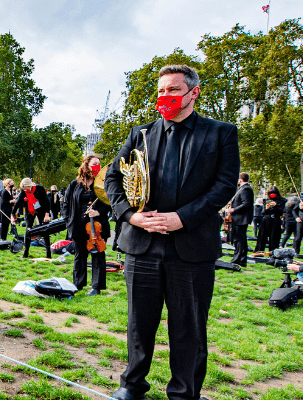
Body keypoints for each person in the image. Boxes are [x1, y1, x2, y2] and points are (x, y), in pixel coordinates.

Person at [102, 65, 239, 400]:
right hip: (142, 245)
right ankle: (131, 386)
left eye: (173, 90)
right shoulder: (141, 133)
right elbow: (112, 179)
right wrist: (131, 216)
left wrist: (183, 217)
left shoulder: (221, 132)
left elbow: (224, 186)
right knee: (138, 325)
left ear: (193, 93)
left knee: (189, 329)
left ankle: (183, 393)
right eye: (161, 91)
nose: (164, 97)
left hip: (191, 247)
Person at [63, 155, 111, 294]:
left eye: (99, 164)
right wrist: (68, 220)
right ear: (86, 165)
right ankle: (78, 284)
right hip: (78, 225)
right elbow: (65, 204)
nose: (98, 166)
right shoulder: (74, 184)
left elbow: (110, 202)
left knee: (98, 255)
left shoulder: (102, 184)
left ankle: (96, 287)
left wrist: (99, 212)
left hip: (97, 226)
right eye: (94, 163)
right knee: (79, 256)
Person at [225, 173, 254, 266]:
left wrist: (233, 209)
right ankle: (241, 260)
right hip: (238, 218)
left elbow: (246, 204)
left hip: (241, 218)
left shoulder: (246, 189)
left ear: (240, 180)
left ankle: (238, 259)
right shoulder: (242, 189)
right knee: (240, 240)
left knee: (239, 240)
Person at [255, 186, 284, 252]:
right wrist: (266, 208)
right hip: (266, 220)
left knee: (274, 238)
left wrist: (276, 206)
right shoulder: (266, 200)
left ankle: (273, 252)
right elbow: (263, 212)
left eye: (274, 193)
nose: (272, 194)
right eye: (271, 193)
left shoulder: (281, 201)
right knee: (262, 237)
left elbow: (281, 212)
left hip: (275, 221)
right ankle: (259, 251)